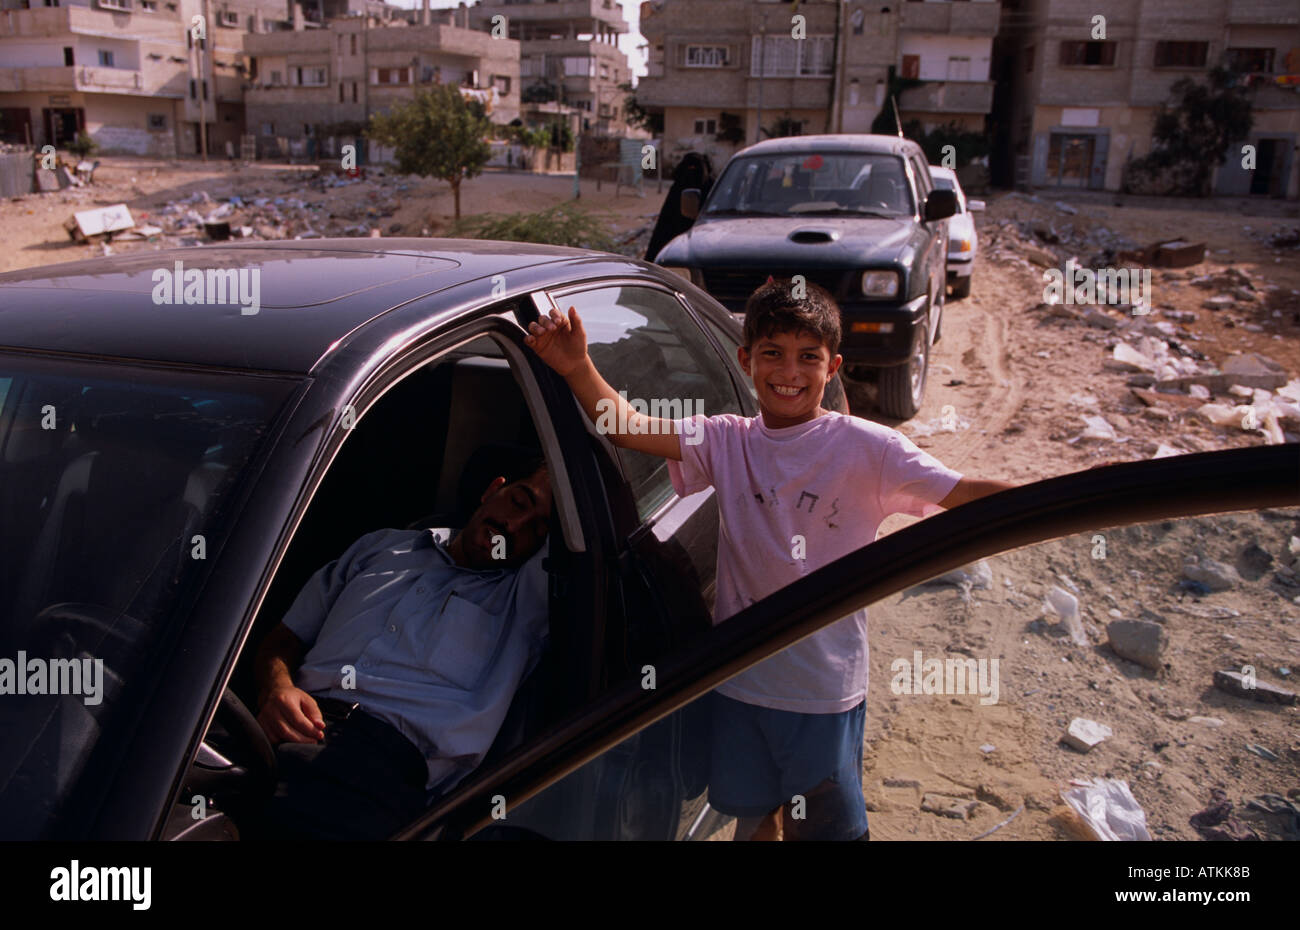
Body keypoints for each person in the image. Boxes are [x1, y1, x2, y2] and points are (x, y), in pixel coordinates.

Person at [525, 280, 1016, 841]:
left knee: (825, 827)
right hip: (739, 678)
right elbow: (629, 428)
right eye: (773, 354)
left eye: (809, 357)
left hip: (821, 691)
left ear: (832, 367)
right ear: (746, 361)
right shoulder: (726, 441)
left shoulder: (869, 449)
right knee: (755, 819)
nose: (790, 371)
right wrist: (577, 366)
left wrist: (1077, 495)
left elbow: (960, 491)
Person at [242, 458, 553, 840]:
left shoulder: (524, 605)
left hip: (371, 785)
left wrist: (620, 423)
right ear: (492, 490)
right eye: (519, 502)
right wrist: (276, 689)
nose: (515, 525)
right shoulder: (382, 547)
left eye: (540, 528)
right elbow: (284, 640)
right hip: (270, 739)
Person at [644, 151, 715, 263]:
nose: (691, 174)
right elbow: (662, 229)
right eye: (690, 168)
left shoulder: (709, 188)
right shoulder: (678, 188)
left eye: (695, 169)